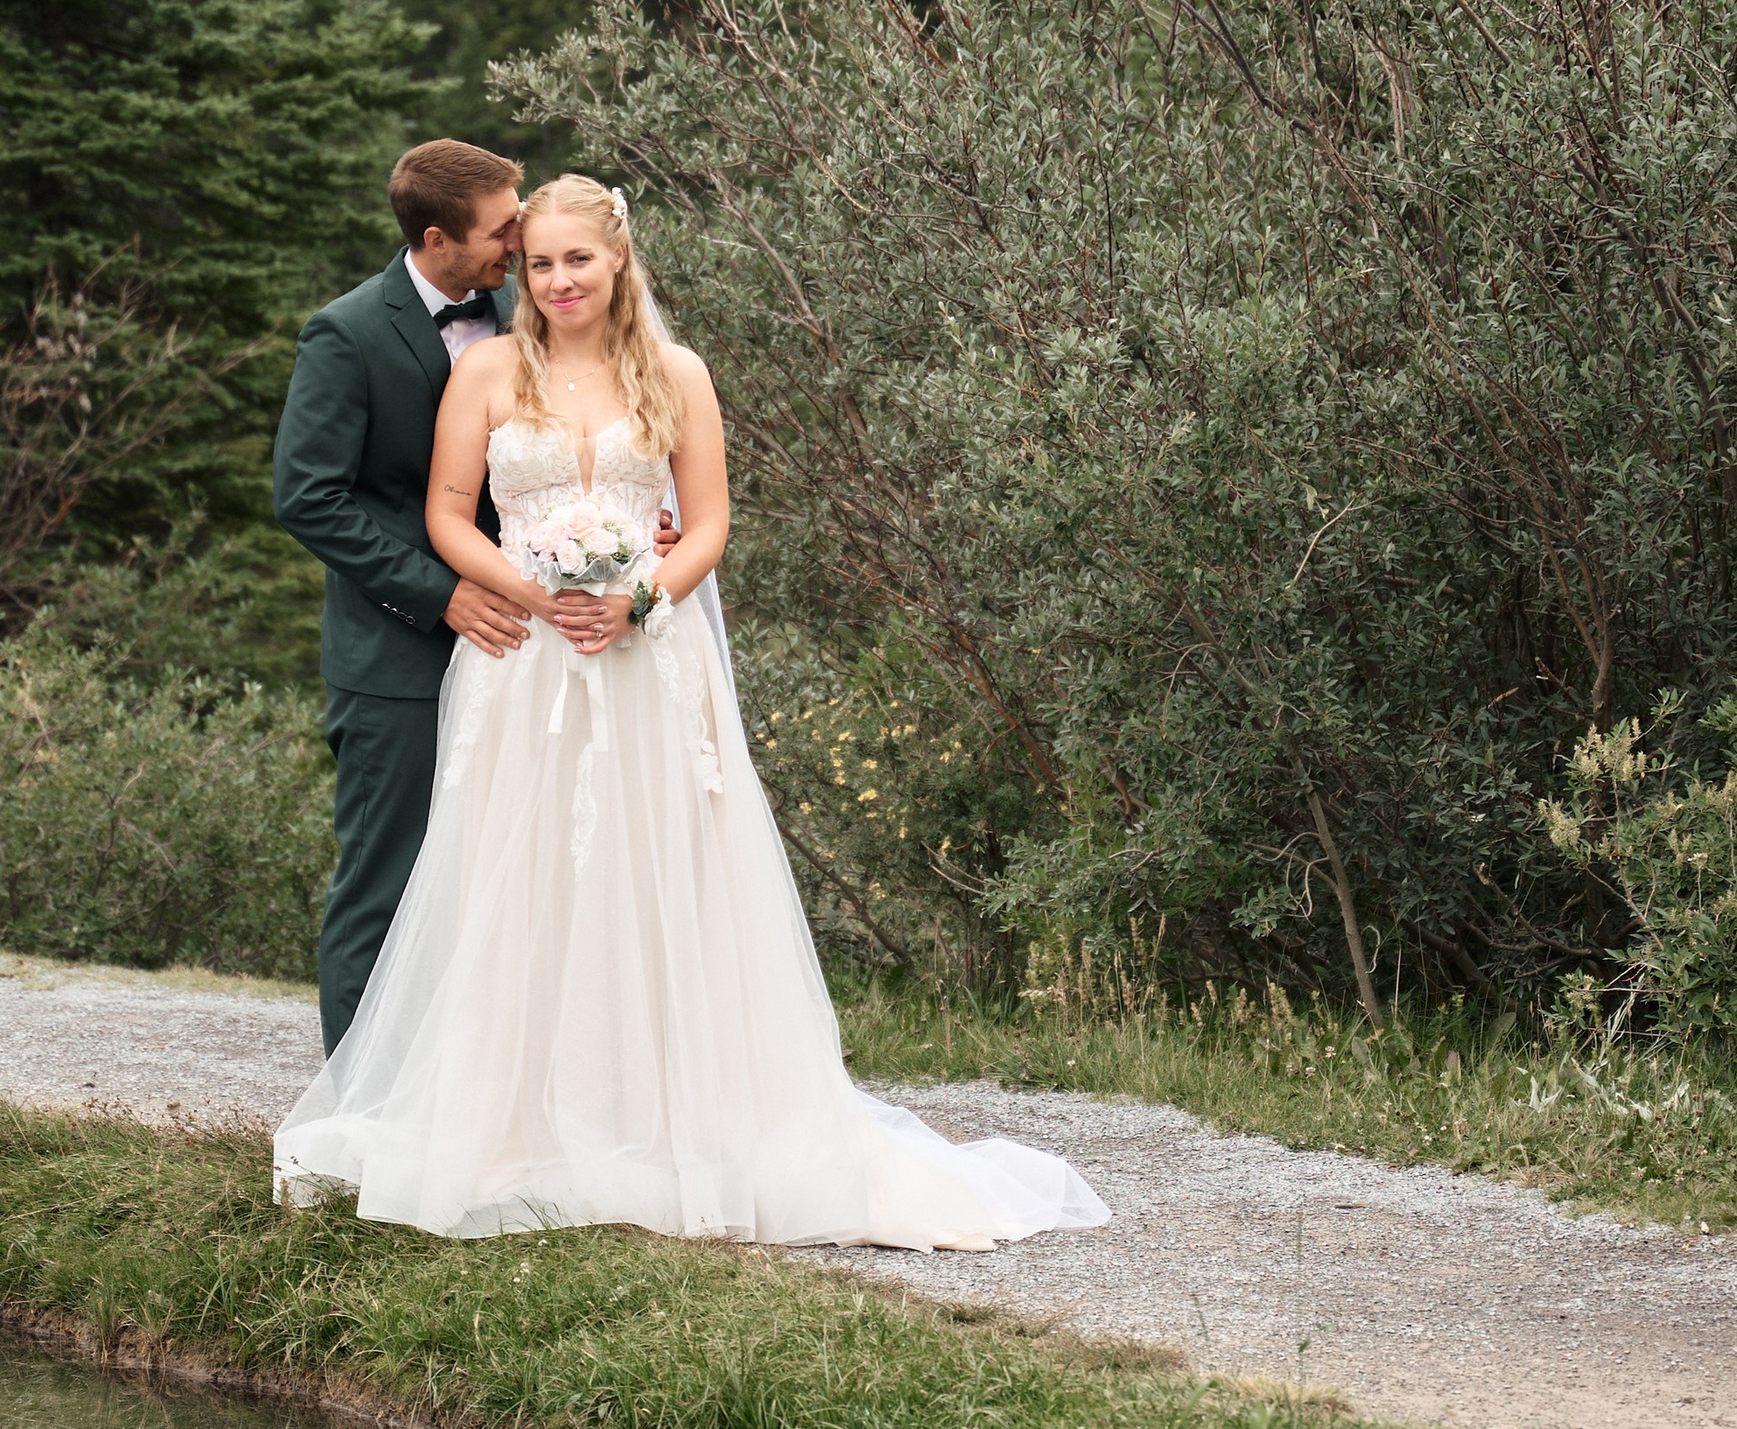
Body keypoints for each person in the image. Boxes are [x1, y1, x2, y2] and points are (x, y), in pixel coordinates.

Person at [273, 173, 1110, 1248]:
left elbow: (707, 524)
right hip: (522, 664)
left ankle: (663, 1118)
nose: (558, 279)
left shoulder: (678, 373)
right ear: (517, 267)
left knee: (651, 870)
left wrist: (636, 599)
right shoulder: (485, 367)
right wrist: (537, 594)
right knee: (512, 882)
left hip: (645, 661)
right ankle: (506, 1123)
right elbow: (445, 513)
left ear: (619, 257)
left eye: (578, 258)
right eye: (539, 261)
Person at [272, 137, 535, 1054]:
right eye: (502, 229)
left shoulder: (527, 314)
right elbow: (308, 498)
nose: (521, 240)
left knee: (497, 885)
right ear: (436, 239)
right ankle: (356, 1105)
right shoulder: (345, 332)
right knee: (385, 887)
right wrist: (440, 594)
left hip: (523, 646)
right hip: (397, 658)